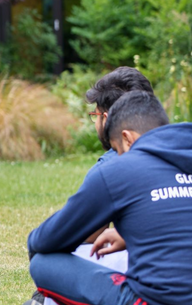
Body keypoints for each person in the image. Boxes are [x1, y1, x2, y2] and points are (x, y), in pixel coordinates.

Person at [28, 91, 192, 305]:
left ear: (127, 138)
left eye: (117, 150)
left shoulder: (120, 170)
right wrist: (129, 235)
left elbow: (44, 240)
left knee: (43, 262)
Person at [24, 66, 155, 305]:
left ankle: (44, 299)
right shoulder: (180, 152)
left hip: (148, 292)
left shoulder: (113, 166)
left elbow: (72, 234)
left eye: (95, 116)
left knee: (49, 259)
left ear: (107, 120)